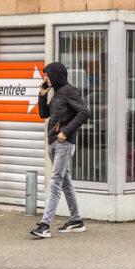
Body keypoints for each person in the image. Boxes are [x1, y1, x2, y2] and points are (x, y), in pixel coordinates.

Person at [30, 62, 91, 239]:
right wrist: (42, 95)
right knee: (65, 182)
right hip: (54, 143)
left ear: (55, 75)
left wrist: (66, 131)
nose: (45, 78)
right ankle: (76, 221)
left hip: (64, 144)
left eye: (47, 75)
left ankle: (45, 225)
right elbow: (44, 114)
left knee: (56, 181)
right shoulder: (57, 94)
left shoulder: (70, 91)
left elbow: (84, 112)